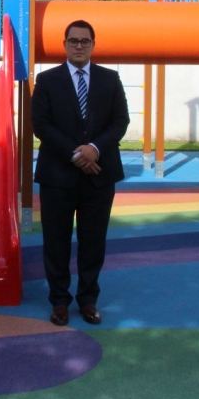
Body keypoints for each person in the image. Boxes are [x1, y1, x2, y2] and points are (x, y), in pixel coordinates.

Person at [31, 20, 129, 327]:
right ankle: (59, 301)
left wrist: (94, 149)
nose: (78, 46)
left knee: (93, 241)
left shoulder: (110, 79)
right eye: (73, 41)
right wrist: (77, 154)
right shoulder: (47, 80)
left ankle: (88, 300)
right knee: (56, 241)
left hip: (99, 175)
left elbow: (120, 121)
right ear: (64, 44)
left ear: (93, 45)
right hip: (57, 176)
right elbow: (40, 124)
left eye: (84, 41)